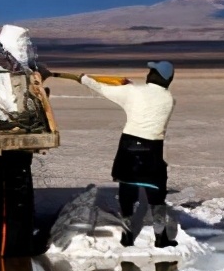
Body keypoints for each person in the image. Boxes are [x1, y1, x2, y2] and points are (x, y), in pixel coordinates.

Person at [73, 61, 178, 247]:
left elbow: (101, 88)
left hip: (130, 146)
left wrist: (83, 78)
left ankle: (127, 235)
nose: (148, 73)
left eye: (151, 71)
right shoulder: (169, 99)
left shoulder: (133, 92)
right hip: (154, 148)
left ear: (154, 75)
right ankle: (160, 237)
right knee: (156, 194)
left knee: (127, 191)